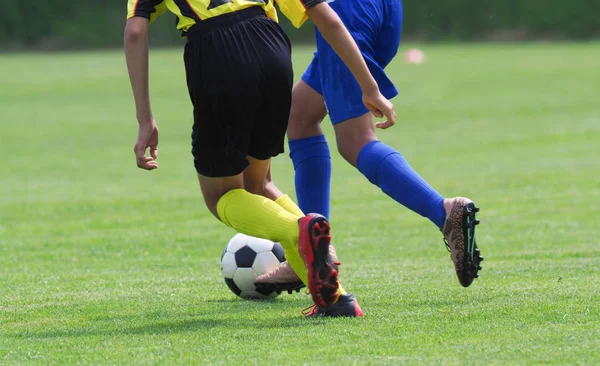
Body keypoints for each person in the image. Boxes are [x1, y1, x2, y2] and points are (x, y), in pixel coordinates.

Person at [123, 0, 396, 317]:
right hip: (272, 50)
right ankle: (337, 300)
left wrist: (145, 119)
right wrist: (369, 86)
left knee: (220, 195)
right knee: (258, 182)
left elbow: (135, 31)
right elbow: (328, 18)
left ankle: (301, 231)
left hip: (216, 53)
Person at [255, 0, 484, 292]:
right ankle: (315, 252)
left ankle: (444, 211)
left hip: (346, 15)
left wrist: (370, 88)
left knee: (356, 141)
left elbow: (327, 18)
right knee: (299, 117)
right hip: (383, 9)